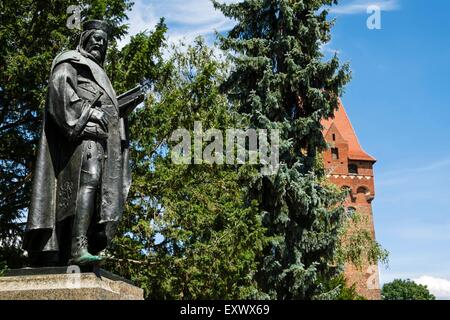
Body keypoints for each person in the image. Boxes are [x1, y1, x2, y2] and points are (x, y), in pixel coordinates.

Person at [23, 20, 132, 266]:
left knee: (95, 193)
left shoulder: (99, 72)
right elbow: (60, 89)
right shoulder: (70, 61)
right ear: (84, 37)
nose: (100, 43)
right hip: (81, 139)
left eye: (104, 41)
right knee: (88, 182)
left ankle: (77, 246)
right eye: (95, 38)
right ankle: (76, 248)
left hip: (101, 140)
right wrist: (90, 112)